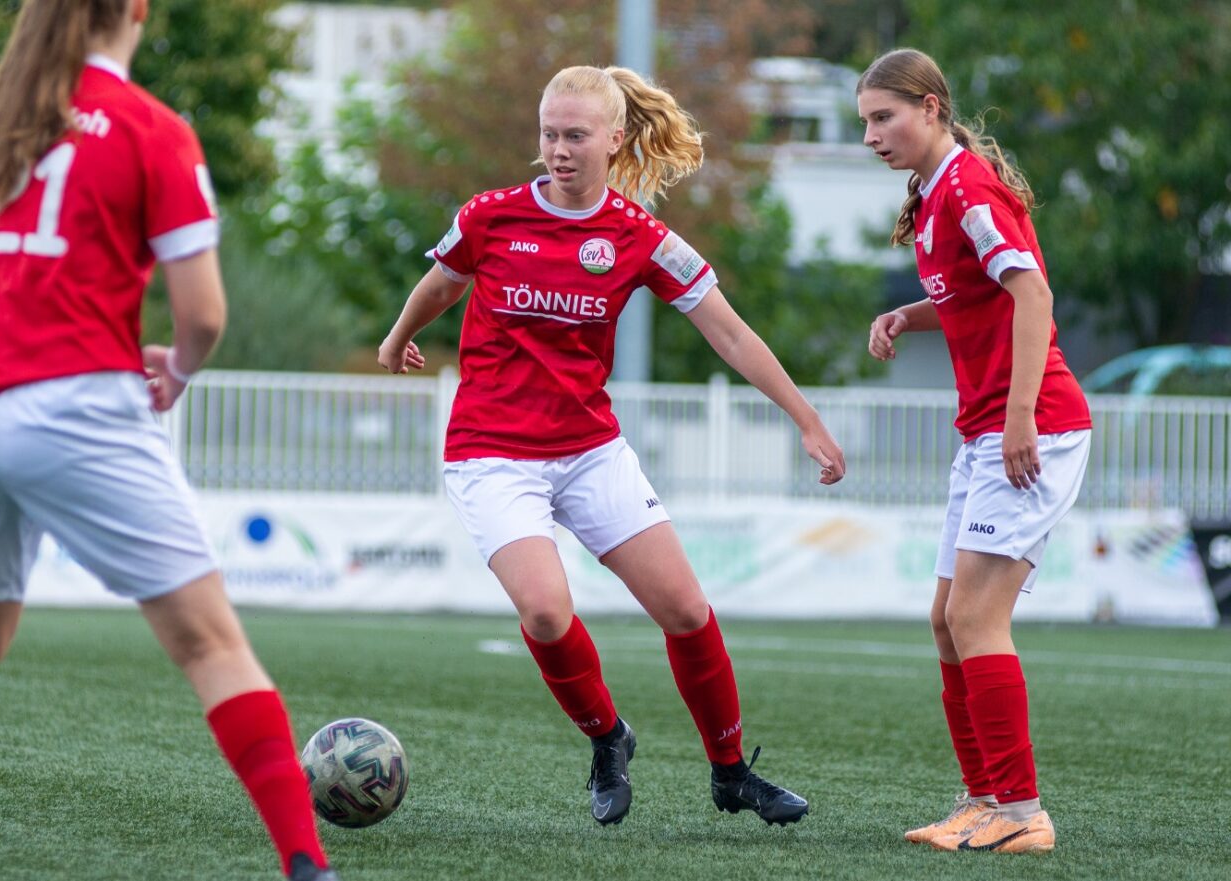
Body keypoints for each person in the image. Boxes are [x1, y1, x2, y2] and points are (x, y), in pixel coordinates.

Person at [0, 2, 336, 879]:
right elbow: (205, 314)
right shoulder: (154, 129)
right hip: (76, 405)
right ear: (136, 9)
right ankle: (307, 864)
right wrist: (178, 367)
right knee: (211, 644)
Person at [377, 65, 847, 829]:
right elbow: (440, 284)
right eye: (549, 135)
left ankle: (730, 772)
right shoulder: (490, 216)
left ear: (615, 139)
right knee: (545, 614)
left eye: (575, 135)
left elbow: (727, 329)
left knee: (687, 610)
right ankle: (608, 737)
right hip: (491, 452)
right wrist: (399, 338)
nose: (558, 150)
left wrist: (806, 418)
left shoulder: (638, 236)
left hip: (591, 450)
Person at [858, 48, 1092, 854]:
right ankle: (984, 798)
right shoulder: (933, 194)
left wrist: (1021, 414)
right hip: (987, 431)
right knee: (946, 619)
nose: (870, 135)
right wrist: (906, 318)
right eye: (864, 121)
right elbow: (973, 290)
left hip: (1031, 429)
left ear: (930, 109)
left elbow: (1032, 292)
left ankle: (1023, 813)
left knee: (974, 615)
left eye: (882, 116)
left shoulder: (965, 185)